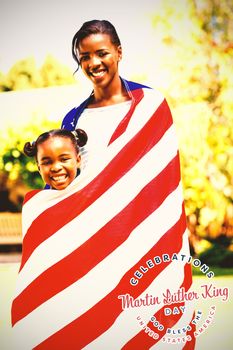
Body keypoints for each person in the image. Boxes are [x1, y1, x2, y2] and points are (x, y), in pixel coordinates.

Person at [11, 20, 196, 350]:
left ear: (119, 53)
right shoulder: (74, 119)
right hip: (93, 240)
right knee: (95, 326)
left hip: (142, 234)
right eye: (84, 57)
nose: (93, 63)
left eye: (102, 53)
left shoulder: (150, 106)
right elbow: (71, 184)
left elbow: (162, 178)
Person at [23, 128, 87, 190]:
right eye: (47, 162)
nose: (56, 168)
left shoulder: (92, 195)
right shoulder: (38, 200)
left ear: (78, 160)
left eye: (64, 159)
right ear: (39, 168)